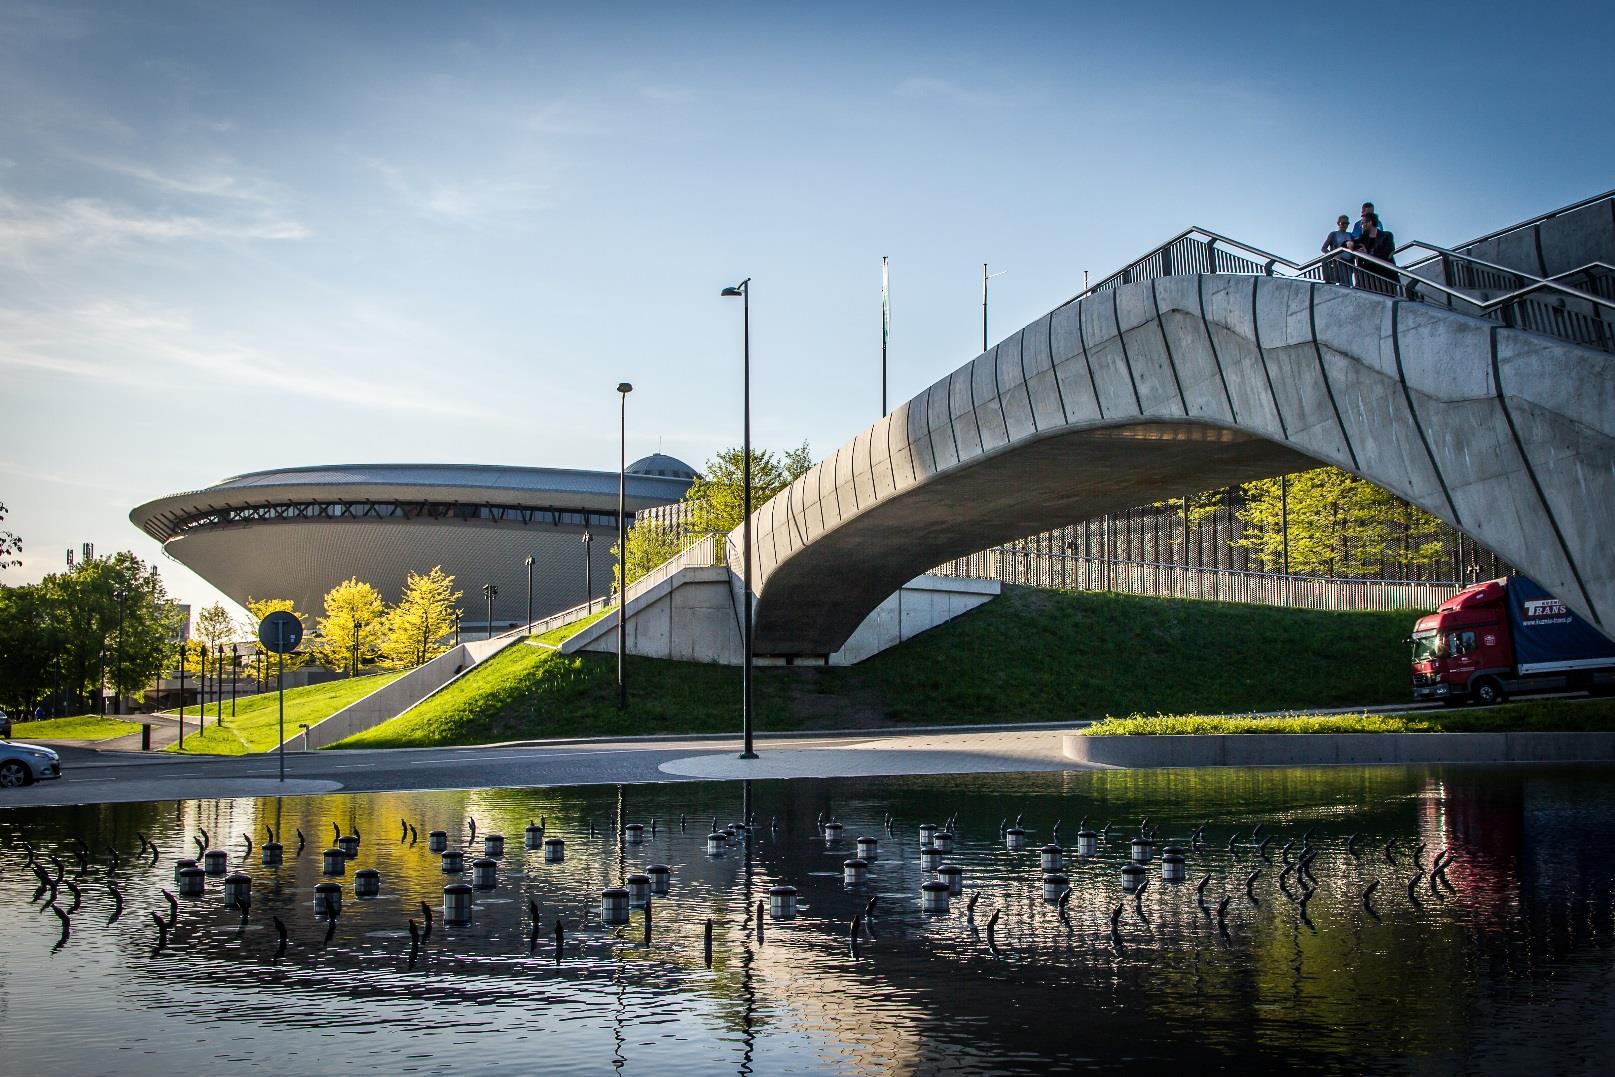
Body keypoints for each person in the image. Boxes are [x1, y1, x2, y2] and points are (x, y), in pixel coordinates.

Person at [1352, 215, 1398, 294]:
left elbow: (1388, 253)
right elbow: (1345, 245)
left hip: (1385, 275)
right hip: (1369, 279)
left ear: (1369, 223)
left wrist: (1367, 254)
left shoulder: (1386, 235)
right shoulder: (1362, 238)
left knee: (1389, 297)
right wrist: (1348, 243)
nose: (1361, 226)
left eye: (1362, 223)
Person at [1321, 214, 1353, 284]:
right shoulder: (1333, 234)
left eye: (1347, 223)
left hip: (1348, 263)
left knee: (1348, 285)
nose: (1345, 225)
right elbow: (1323, 248)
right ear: (1338, 224)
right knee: (1340, 284)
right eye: (1343, 223)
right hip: (1337, 263)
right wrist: (1333, 255)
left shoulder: (1350, 235)